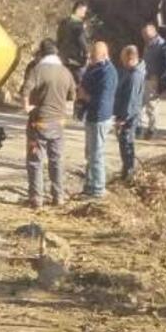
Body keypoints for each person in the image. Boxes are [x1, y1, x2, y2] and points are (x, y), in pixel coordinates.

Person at [21, 38, 77, 208]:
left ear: (41, 53)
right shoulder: (66, 72)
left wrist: (27, 107)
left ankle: (36, 198)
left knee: (35, 161)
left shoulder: (38, 70)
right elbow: (72, 95)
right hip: (58, 123)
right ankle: (58, 196)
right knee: (56, 160)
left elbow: (25, 90)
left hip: (39, 123)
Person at [78, 42, 118, 198]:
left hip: (100, 117)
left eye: (93, 56)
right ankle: (89, 184)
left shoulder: (108, 73)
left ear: (103, 55)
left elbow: (103, 100)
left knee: (96, 155)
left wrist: (84, 96)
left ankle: (98, 188)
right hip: (91, 115)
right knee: (89, 153)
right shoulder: (96, 68)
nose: (90, 58)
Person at [114, 45, 146, 180]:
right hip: (131, 113)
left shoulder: (134, 76)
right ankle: (127, 169)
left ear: (130, 58)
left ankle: (128, 172)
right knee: (127, 141)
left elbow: (130, 99)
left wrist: (123, 118)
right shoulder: (134, 72)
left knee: (126, 141)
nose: (122, 62)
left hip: (129, 115)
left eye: (123, 59)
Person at [140, 23, 166, 139]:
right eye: (143, 34)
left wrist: (163, 82)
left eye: (145, 34)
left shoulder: (163, 46)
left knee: (152, 105)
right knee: (141, 104)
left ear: (153, 32)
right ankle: (142, 128)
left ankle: (152, 129)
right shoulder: (149, 44)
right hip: (145, 77)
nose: (143, 36)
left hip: (154, 79)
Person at [56, 1, 89, 84]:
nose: (84, 15)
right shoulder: (79, 26)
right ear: (78, 10)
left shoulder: (64, 22)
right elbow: (82, 42)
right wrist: (86, 54)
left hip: (61, 55)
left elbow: (59, 37)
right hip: (74, 60)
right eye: (83, 12)